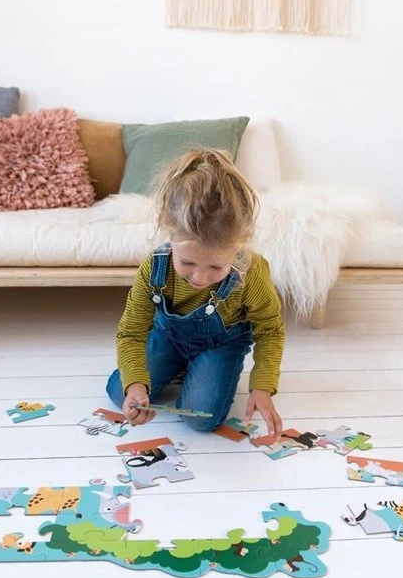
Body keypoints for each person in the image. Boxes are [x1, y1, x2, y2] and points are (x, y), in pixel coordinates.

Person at [106, 148, 285, 436]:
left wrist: (262, 387)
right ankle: (180, 365)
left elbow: (270, 330)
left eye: (216, 266)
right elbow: (131, 331)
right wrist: (136, 384)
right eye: (187, 262)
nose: (200, 277)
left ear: (240, 243)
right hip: (169, 336)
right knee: (119, 392)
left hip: (221, 344)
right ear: (169, 232)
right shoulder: (154, 267)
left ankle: (199, 367)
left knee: (201, 419)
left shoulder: (252, 271)